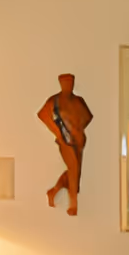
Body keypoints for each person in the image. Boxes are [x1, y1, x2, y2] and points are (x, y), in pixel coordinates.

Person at [38, 73, 92, 216]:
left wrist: (78, 129)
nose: (68, 84)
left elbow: (87, 118)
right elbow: (43, 116)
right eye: (65, 82)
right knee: (73, 169)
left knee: (74, 173)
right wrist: (58, 133)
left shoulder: (79, 101)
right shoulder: (54, 100)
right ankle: (73, 205)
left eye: (71, 82)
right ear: (60, 83)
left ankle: (54, 191)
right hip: (65, 140)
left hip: (79, 141)